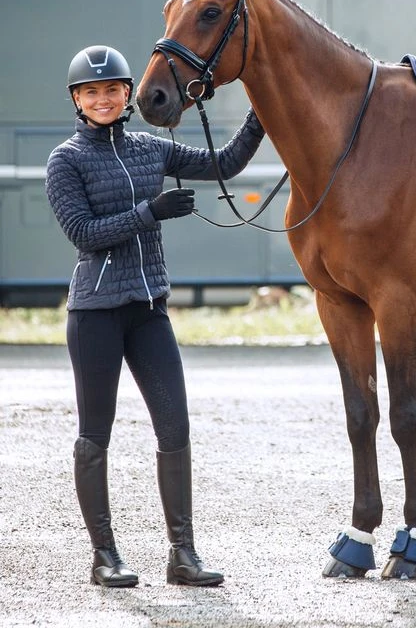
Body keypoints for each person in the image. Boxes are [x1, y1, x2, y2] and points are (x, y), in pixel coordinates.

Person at [45, 45, 265, 587]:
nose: (103, 99)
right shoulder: (65, 160)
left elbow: (225, 164)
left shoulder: (150, 148)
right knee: (96, 433)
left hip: (149, 311)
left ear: (127, 96)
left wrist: (263, 109)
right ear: (78, 99)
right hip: (96, 313)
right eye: (91, 92)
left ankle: (182, 555)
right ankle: (104, 556)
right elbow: (83, 235)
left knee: (175, 427)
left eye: (112, 90)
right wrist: (150, 212)